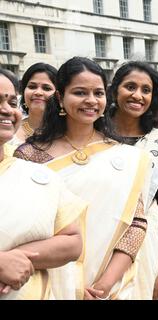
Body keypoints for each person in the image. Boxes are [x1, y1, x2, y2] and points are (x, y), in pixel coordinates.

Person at [14, 57, 150, 300]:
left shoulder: (124, 156)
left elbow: (136, 224)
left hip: (110, 287)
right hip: (46, 282)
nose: (90, 101)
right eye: (79, 92)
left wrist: (103, 286)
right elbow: (20, 228)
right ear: (59, 98)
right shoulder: (29, 155)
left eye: (98, 93)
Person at [0, 68, 85, 300]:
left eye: (11, 101)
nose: (7, 109)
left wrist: (16, 258)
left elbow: (73, 242)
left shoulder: (39, 176)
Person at [108, 61, 158, 300]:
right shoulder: (94, 134)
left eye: (146, 90)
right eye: (130, 87)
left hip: (145, 245)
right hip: (99, 236)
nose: (137, 95)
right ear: (115, 90)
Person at [10, 63, 57, 147]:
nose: (38, 92)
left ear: (59, 95)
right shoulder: (9, 128)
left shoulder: (69, 132)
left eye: (46, 88)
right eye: (32, 87)